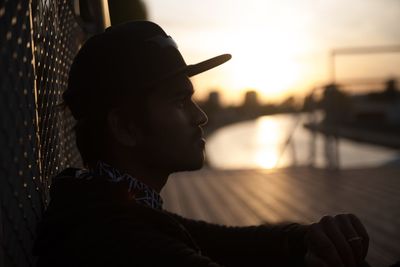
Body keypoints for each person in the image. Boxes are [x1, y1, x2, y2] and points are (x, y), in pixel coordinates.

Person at [34, 21, 370, 267]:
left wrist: (305, 238)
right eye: (180, 101)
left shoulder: (108, 204)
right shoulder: (115, 239)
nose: (201, 117)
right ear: (125, 127)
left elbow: (221, 240)